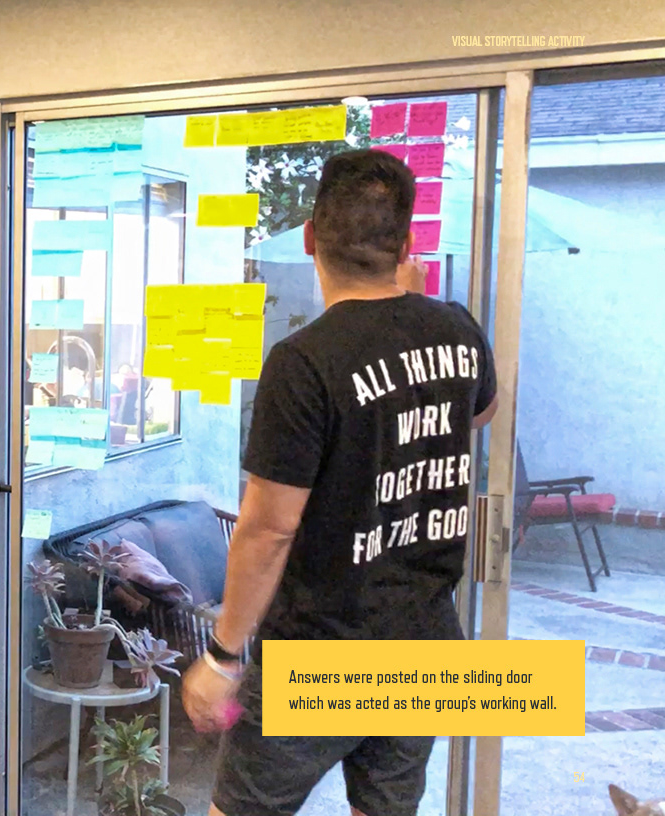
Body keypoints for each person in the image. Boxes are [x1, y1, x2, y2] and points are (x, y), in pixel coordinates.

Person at [182, 150, 498, 816]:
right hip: (424, 642)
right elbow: (482, 409)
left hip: (324, 650)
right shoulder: (457, 330)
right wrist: (414, 312)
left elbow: (269, 528)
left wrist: (223, 654)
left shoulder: (305, 361)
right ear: (405, 246)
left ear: (309, 240)